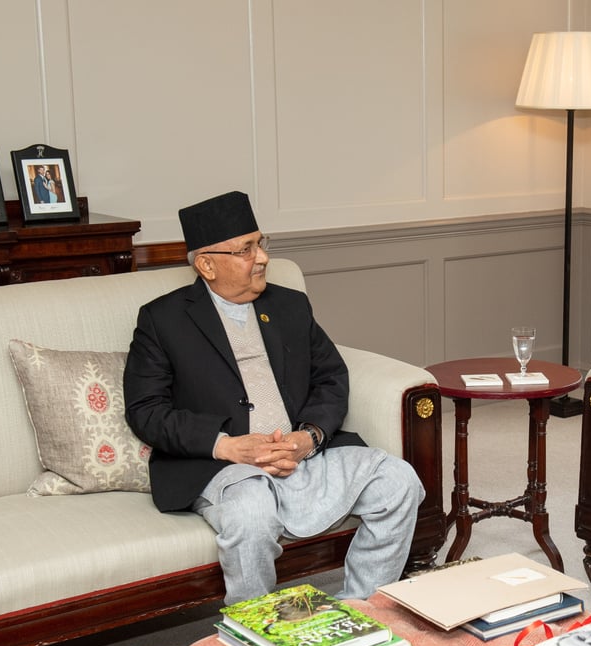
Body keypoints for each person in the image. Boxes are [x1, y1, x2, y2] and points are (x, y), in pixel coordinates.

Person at [124, 190, 425, 605]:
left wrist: (309, 437)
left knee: (398, 481)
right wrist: (227, 445)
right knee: (250, 515)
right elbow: (146, 411)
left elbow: (331, 376)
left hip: (302, 452)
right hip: (222, 465)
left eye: (261, 243)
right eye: (245, 249)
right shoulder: (163, 319)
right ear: (206, 264)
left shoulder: (289, 305)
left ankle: (361, 609)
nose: (262, 257)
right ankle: (255, 632)